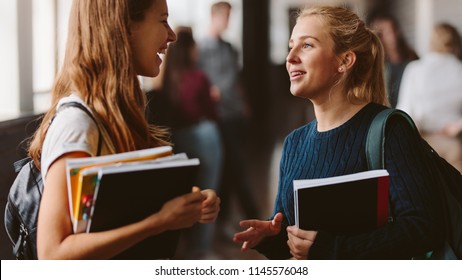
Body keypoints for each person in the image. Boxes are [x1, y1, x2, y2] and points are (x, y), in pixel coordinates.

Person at [233, 6, 444, 259]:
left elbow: (423, 227)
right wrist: (272, 236)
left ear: (344, 61)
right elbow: (295, 239)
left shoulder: (389, 129)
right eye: (291, 46)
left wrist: (331, 249)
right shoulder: (294, 144)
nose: (290, 58)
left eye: (307, 45)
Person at [28, 0, 220, 259]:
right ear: (125, 27)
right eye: (163, 20)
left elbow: (104, 214)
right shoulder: (78, 125)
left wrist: (186, 203)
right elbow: (53, 254)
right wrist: (159, 221)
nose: (172, 35)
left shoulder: (113, 115)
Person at [198, 1, 260, 238]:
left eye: (229, 17)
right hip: (218, 117)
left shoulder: (230, 48)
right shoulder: (201, 48)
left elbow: (237, 81)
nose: (227, 21)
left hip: (235, 114)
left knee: (232, 168)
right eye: (225, 16)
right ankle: (253, 215)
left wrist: (245, 106)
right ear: (214, 16)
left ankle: (225, 220)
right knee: (236, 167)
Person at [161, 26, 223, 259]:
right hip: (204, 135)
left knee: (184, 194)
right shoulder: (198, 77)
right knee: (208, 194)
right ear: (190, 48)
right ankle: (200, 251)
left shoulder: (166, 80)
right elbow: (212, 112)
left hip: (177, 139)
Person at [397, 23, 462, 172]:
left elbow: (406, 111)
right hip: (454, 144)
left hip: (424, 143)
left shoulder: (415, 69)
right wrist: (456, 126)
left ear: (431, 42)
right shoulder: (460, 70)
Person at [368, 13, 419, 108]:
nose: (382, 38)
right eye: (379, 34)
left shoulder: (412, 59)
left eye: (386, 32)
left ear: (397, 32)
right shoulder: (377, 64)